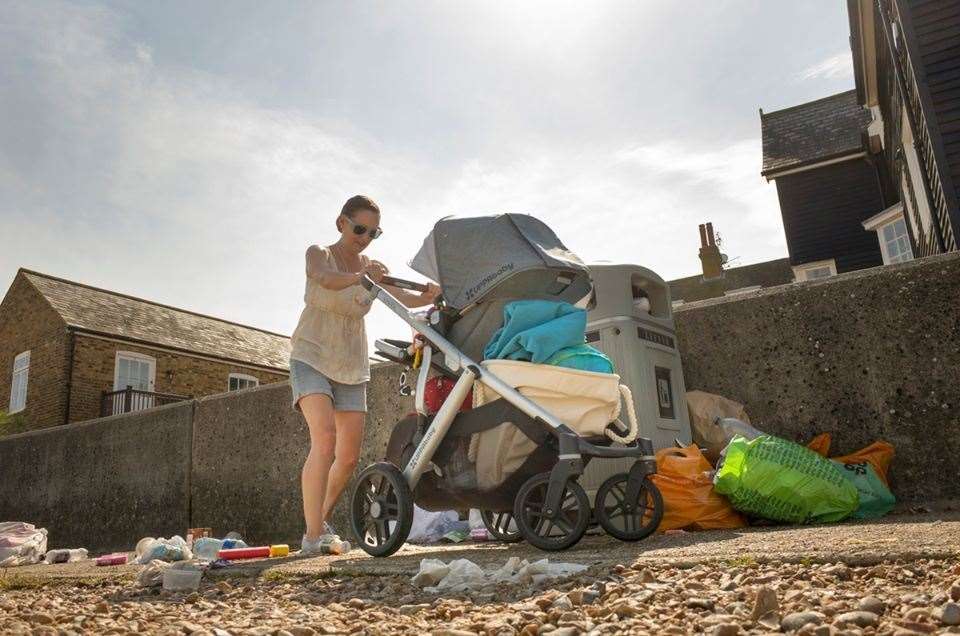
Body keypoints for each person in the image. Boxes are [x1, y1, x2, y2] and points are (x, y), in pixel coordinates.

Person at [289, 195, 440, 554]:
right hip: (311, 354)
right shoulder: (319, 254)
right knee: (324, 440)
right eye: (360, 229)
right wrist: (363, 277)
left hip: (351, 364)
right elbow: (324, 279)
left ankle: (317, 523)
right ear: (341, 222)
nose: (365, 237)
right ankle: (312, 537)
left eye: (374, 232)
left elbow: (403, 297)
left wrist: (432, 293)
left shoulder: (372, 267)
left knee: (349, 457)